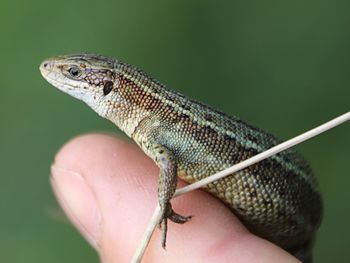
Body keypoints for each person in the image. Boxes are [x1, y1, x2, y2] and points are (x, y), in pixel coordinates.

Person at [51, 133, 298, 263]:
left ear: (106, 86)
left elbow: (167, 162)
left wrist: (163, 204)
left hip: (290, 210)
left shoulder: (153, 126)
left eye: (75, 73)